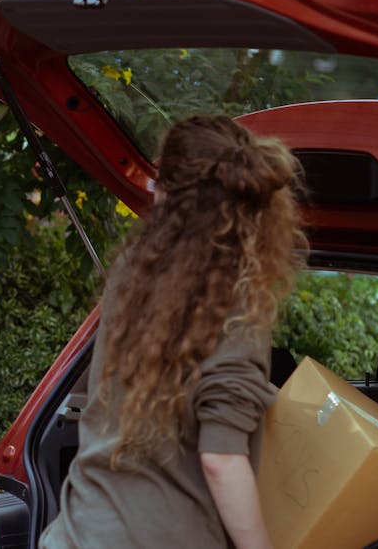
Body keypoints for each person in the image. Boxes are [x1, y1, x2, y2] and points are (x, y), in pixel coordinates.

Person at [39, 115, 306, 548]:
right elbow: (221, 458)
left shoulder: (133, 273)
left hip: (77, 531)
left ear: (164, 192)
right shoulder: (234, 306)